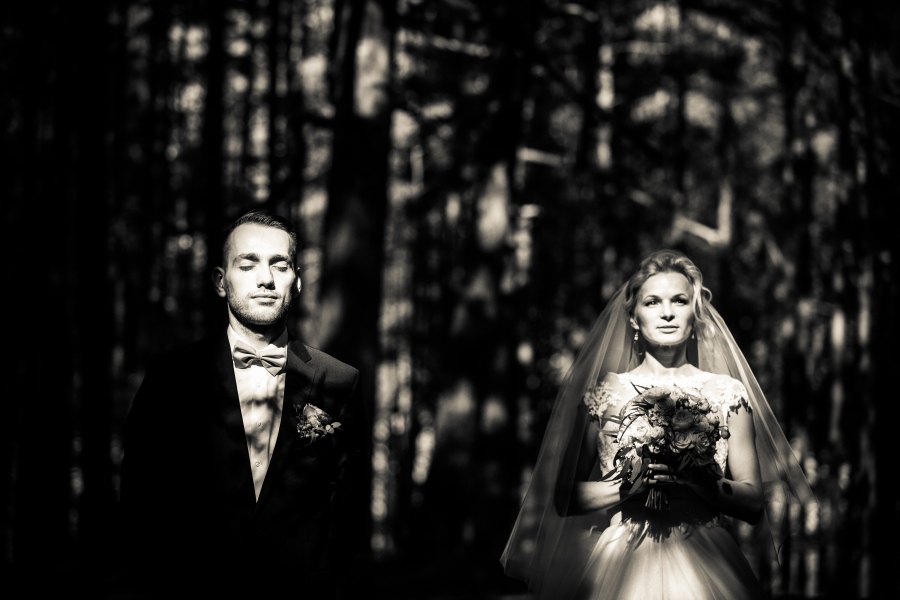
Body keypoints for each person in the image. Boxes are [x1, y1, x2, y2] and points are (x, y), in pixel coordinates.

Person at [501, 250, 815, 600]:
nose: (667, 312)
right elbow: (564, 497)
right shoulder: (605, 392)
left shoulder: (727, 393)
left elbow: (754, 503)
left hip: (707, 561)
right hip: (620, 564)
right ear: (633, 317)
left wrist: (696, 478)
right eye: (652, 302)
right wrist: (629, 486)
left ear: (695, 312)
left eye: (679, 300)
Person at [121, 209, 368, 599]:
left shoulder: (339, 380)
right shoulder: (172, 378)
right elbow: (141, 497)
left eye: (279, 265)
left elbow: (349, 508)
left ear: (296, 281)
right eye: (248, 264)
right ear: (221, 281)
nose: (265, 278)